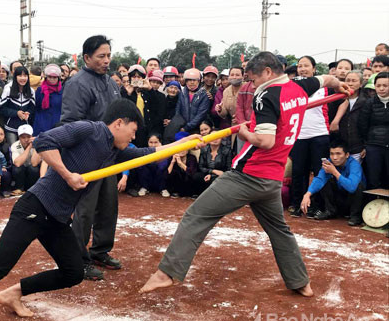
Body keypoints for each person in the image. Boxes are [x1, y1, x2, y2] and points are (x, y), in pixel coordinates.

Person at [0, 98, 202, 321]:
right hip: (35, 207)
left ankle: (14, 293)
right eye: (133, 130)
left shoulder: (114, 148)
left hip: (57, 218)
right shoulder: (88, 130)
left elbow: (143, 154)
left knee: (73, 271)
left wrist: (182, 142)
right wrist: (66, 174)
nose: (133, 137)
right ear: (119, 123)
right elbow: (44, 142)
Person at [140, 51, 351, 297]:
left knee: (196, 215)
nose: (251, 85)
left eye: (253, 78)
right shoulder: (299, 87)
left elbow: (266, 141)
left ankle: (167, 273)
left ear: (269, 72)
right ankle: (300, 282)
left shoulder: (267, 94)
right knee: (279, 230)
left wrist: (244, 133)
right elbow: (326, 80)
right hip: (271, 179)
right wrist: (339, 84)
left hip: (248, 175)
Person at [60, 35, 122, 281]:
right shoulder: (77, 84)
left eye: (109, 56)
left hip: (110, 155)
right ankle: (78, 258)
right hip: (87, 157)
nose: (107, 61)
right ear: (87, 58)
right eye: (101, 56)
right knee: (85, 210)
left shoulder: (111, 83)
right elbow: (70, 123)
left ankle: (100, 250)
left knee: (109, 205)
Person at [288, 56, 331, 218]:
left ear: (314, 68)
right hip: (299, 135)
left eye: (306, 66)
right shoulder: (292, 86)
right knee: (299, 171)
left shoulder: (325, 86)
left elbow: (343, 101)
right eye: (300, 66)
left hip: (320, 134)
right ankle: (298, 204)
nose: (302, 69)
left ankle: (317, 206)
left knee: (319, 171)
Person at [300, 140, 365, 226]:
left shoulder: (354, 164)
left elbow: (352, 187)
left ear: (347, 155)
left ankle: (355, 216)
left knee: (358, 185)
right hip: (339, 198)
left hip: (352, 200)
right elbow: (319, 179)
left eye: (338, 154)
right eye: (332, 154)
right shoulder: (329, 163)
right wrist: (307, 194)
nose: (334, 157)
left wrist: (334, 172)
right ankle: (331, 211)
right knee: (324, 181)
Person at [358, 72, 389, 190]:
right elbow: (362, 125)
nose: (381, 88)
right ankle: (372, 206)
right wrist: (366, 144)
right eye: (378, 85)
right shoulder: (369, 103)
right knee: (373, 178)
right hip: (374, 146)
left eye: (385, 85)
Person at [164, 68, 210, 143]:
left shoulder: (203, 95)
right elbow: (178, 110)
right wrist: (178, 125)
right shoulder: (182, 93)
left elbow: (201, 115)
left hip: (196, 129)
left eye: (194, 80)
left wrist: (187, 127)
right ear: (186, 81)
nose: (192, 82)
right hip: (181, 127)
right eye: (189, 80)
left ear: (199, 81)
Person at [330, 71, 366, 162]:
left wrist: (365, 146)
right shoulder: (335, 99)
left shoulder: (366, 101)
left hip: (358, 147)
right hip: (339, 148)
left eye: (354, 81)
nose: (350, 83)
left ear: (361, 84)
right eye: (348, 80)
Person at [0, 66, 35, 145]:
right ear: (15, 77)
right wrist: (16, 113)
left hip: (26, 128)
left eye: (25, 76)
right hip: (11, 127)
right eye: (20, 76)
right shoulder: (8, 89)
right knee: (13, 150)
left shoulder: (31, 91)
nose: (23, 78)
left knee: (26, 151)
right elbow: (2, 109)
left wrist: (28, 113)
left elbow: (32, 108)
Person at [193, 128, 232, 194]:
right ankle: (199, 194)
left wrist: (212, 175)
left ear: (221, 138)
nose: (215, 139)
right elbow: (201, 166)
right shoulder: (204, 149)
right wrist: (212, 171)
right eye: (213, 137)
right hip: (207, 173)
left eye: (217, 137)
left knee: (215, 179)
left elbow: (229, 169)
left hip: (221, 175)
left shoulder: (227, 150)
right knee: (196, 176)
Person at [10, 124, 42, 195]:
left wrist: (35, 146)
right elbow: (17, 163)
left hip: (32, 173)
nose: (26, 140)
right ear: (19, 137)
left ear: (32, 136)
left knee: (33, 168)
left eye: (28, 137)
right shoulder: (15, 145)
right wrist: (29, 147)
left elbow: (34, 163)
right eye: (23, 137)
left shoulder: (38, 143)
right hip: (22, 172)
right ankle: (19, 188)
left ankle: (31, 188)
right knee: (17, 168)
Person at [34, 64, 63, 136]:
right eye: (50, 77)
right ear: (46, 77)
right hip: (41, 124)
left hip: (57, 125)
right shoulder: (40, 90)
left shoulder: (62, 91)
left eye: (54, 77)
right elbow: (36, 107)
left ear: (58, 78)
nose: (52, 79)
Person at [166, 132, 198, 198]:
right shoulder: (172, 158)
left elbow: (192, 172)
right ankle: (175, 192)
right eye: (180, 148)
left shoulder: (192, 158)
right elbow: (167, 174)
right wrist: (172, 162)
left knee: (193, 176)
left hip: (189, 186)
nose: (182, 150)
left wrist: (181, 164)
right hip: (178, 187)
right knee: (174, 173)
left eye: (184, 148)